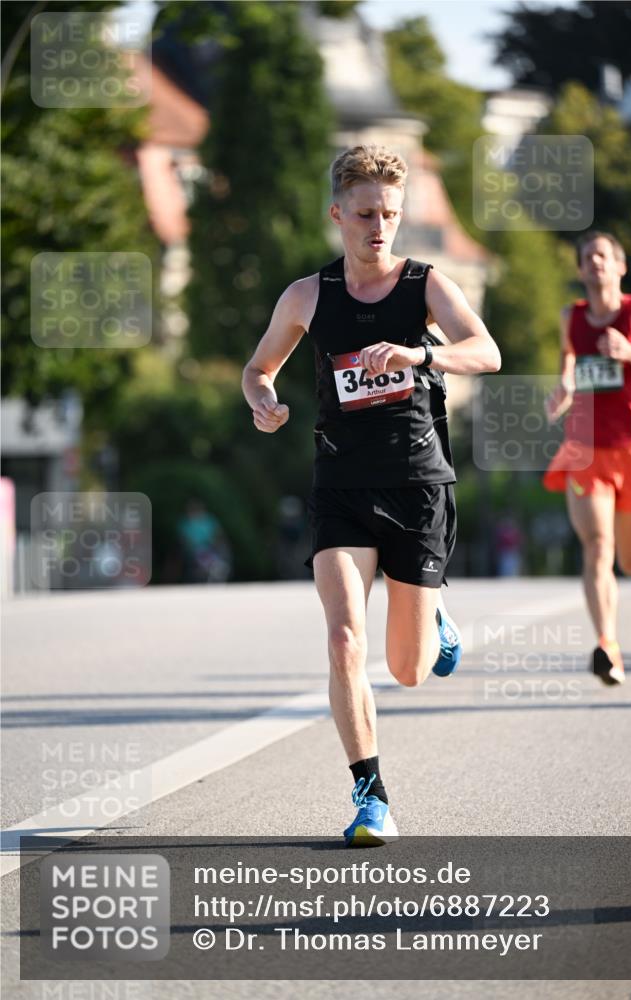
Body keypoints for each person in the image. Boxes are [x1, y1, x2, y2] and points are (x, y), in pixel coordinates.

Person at [242, 145, 501, 845]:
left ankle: (434, 611)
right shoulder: (306, 295)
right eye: (364, 214)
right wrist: (262, 401)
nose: (377, 227)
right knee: (343, 638)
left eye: (389, 213)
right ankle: (370, 796)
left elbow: (486, 351)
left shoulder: (424, 285)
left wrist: (420, 354)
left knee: (409, 671)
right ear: (337, 215)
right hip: (341, 487)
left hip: (417, 483)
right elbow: (258, 368)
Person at [544, 232, 631, 685]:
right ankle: (607, 645)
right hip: (583, 448)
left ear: (620, 266)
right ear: (580, 270)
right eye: (587, 258)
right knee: (598, 545)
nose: (594, 263)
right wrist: (563, 389)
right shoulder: (571, 316)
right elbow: (568, 363)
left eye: (603, 256)